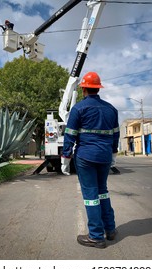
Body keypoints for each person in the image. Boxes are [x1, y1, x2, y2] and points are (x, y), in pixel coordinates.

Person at [61, 72, 120, 249]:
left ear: (84, 89)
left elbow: (70, 134)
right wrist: (114, 152)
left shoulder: (78, 109)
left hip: (86, 157)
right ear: (98, 88)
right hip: (104, 156)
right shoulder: (111, 109)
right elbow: (116, 134)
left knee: (91, 196)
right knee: (103, 191)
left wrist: (65, 156)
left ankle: (96, 236)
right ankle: (110, 230)